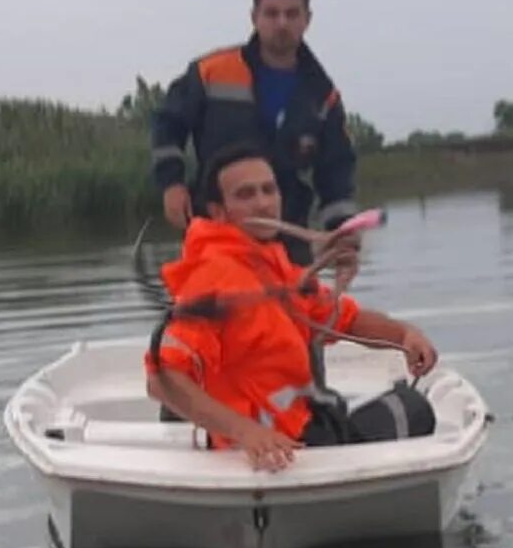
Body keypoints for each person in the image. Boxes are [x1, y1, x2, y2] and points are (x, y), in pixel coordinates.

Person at [145, 144, 438, 471]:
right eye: (246, 194)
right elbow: (161, 381)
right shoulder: (212, 278)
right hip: (270, 451)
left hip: (300, 434)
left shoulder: (273, 268)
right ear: (217, 212)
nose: (263, 203)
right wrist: (245, 432)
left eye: (269, 190)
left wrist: (404, 335)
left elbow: (344, 318)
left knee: (361, 406)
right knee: (413, 407)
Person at [150, 0, 358, 263]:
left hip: (287, 236)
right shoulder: (211, 71)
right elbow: (166, 124)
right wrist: (171, 185)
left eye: (291, 14)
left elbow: (336, 172)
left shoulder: (323, 96)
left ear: (307, 19)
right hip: (216, 233)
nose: (281, 23)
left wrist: (343, 234)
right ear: (254, 17)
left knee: (293, 307)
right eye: (271, 13)